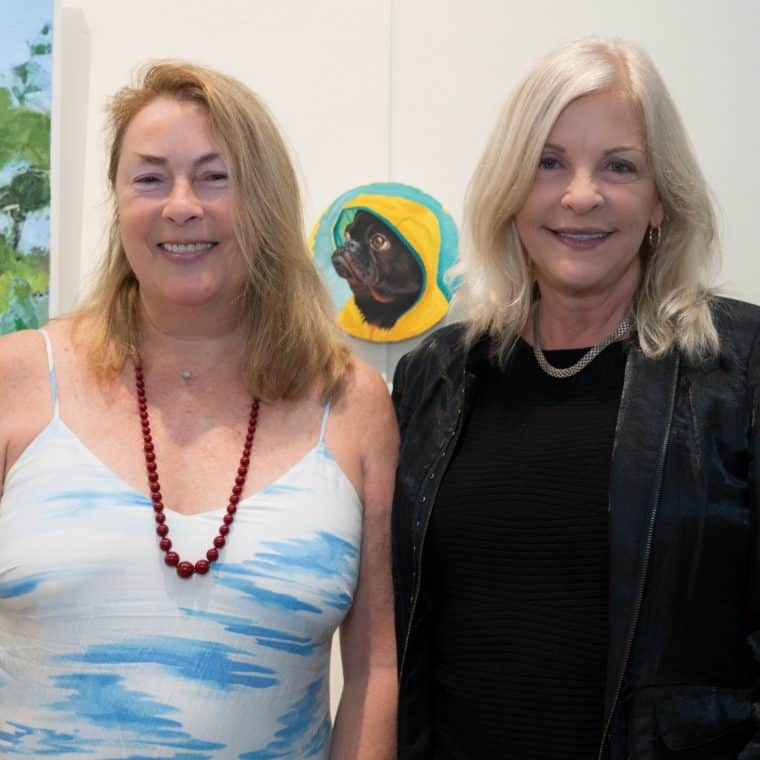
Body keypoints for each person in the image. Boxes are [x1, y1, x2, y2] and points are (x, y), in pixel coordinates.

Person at [0, 61, 397, 758]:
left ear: (265, 201)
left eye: (216, 177)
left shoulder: (351, 405)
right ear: (117, 200)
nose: (181, 206)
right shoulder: (20, 379)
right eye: (150, 179)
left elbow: (374, 673)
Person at [392, 37, 760, 760]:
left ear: (661, 200)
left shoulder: (740, 368)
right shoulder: (435, 376)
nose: (581, 195)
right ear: (509, 191)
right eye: (548, 162)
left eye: (619, 166)